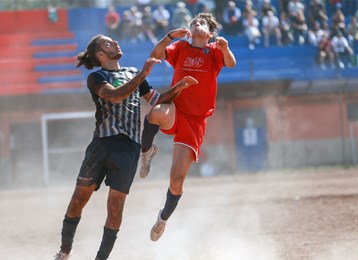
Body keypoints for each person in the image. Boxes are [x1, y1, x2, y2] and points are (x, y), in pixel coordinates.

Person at [52, 34, 198, 260]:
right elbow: (115, 96)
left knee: (115, 206)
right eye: (108, 43)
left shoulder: (132, 73)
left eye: (114, 41)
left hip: (129, 148)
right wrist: (142, 74)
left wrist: (180, 86)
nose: (116, 43)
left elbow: (156, 100)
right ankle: (64, 251)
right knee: (79, 199)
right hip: (102, 144)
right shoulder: (97, 77)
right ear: (100, 55)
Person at [138, 12, 236, 241]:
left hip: (195, 122)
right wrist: (170, 36)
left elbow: (231, 63)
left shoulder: (214, 52)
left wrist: (225, 49)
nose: (197, 23)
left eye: (202, 23)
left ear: (210, 34)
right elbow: (156, 54)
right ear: (189, 30)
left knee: (176, 181)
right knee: (155, 114)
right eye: (194, 22)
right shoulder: (180, 47)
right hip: (177, 110)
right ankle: (147, 151)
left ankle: (162, 218)